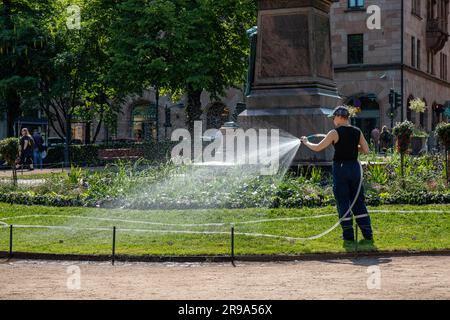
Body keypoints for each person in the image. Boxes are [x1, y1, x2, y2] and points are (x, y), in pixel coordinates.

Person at [301, 106, 373, 242]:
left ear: (340, 117)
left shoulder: (334, 133)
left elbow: (317, 148)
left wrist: (306, 142)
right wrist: (352, 147)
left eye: (334, 117)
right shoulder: (357, 131)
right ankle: (368, 233)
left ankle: (348, 235)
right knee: (358, 201)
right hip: (355, 168)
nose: (333, 120)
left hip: (341, 169)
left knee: (343, 201)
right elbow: (366, 150)